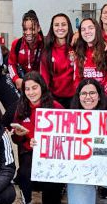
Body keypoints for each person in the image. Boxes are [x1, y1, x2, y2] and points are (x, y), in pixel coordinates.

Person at [11, 71, 64, 204]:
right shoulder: (21, 107)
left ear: (42, 87)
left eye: (34, 88)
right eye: (27, 89)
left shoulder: (56, 107)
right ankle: (26, 200)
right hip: (29, 151)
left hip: (52, 153)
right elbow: (16, 140)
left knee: (51, 178)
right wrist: (18, 135)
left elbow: (66, 134)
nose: (31, 92)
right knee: (24, 172)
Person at [74, 18, 107, 101]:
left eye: (90, 28)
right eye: (83, 29)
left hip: (106, 99)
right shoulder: (79, 51)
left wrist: (100, 97)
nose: (87, 32)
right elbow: (77, 78)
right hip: (86, 100)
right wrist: (83, 95)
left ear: (97, 30)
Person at [40, 13, 75, 108]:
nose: (60, 28)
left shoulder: (76, 45)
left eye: (63, 24)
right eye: (56, 25)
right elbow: (45, 77)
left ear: (69, 27)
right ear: (52, 28)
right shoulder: (47, 50)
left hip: (75, 98)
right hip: (54, 97)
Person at [8, 10, 44, 90]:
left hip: (41, 85)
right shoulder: (17, 44)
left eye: (31, 29)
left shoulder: (45, 43)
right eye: (25, 29)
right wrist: (16, 79)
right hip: (22, 84)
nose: (28, 33)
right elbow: (11, 64)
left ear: (38, 28)